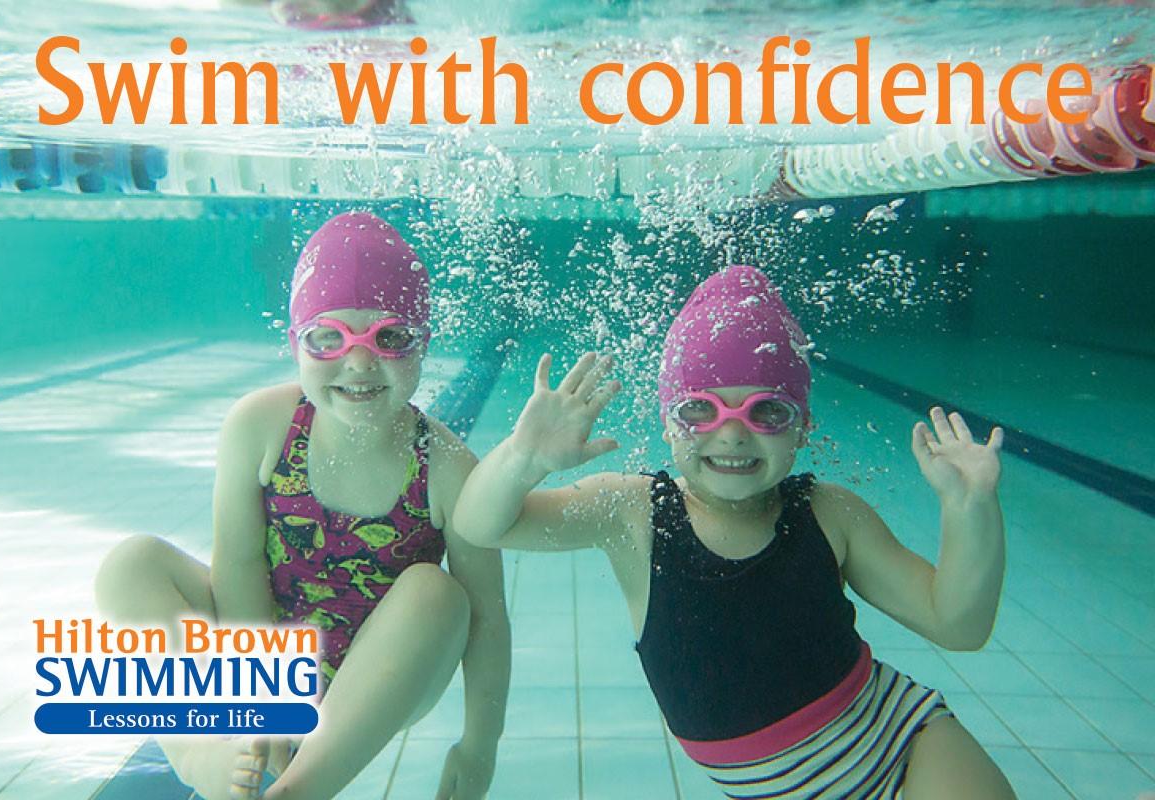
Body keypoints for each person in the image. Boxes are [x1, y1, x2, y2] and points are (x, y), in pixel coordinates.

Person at [452, 265, 1015, 798]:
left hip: (903, 739)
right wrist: (524, 457)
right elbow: (481, 526)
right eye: (699, 410)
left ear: (803, 427)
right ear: (667, 421)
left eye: (768, 413)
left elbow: (957, 624)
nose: (732, 435)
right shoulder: (632, 513)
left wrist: (970, 508)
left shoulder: (829, 513)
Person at [95, 211, 509, 800]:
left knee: (436, 593)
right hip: (264, 644)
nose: (359, 363)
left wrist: (479, 745)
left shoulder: (448, 470)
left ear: (423, 344)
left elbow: (487, 622)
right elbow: (239, 562)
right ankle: (195, 749)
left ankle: (299, 790)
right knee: (131, 563)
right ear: (296, 344)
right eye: (327, 337)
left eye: (390, 337)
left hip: (381, 677)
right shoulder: (261, 425)